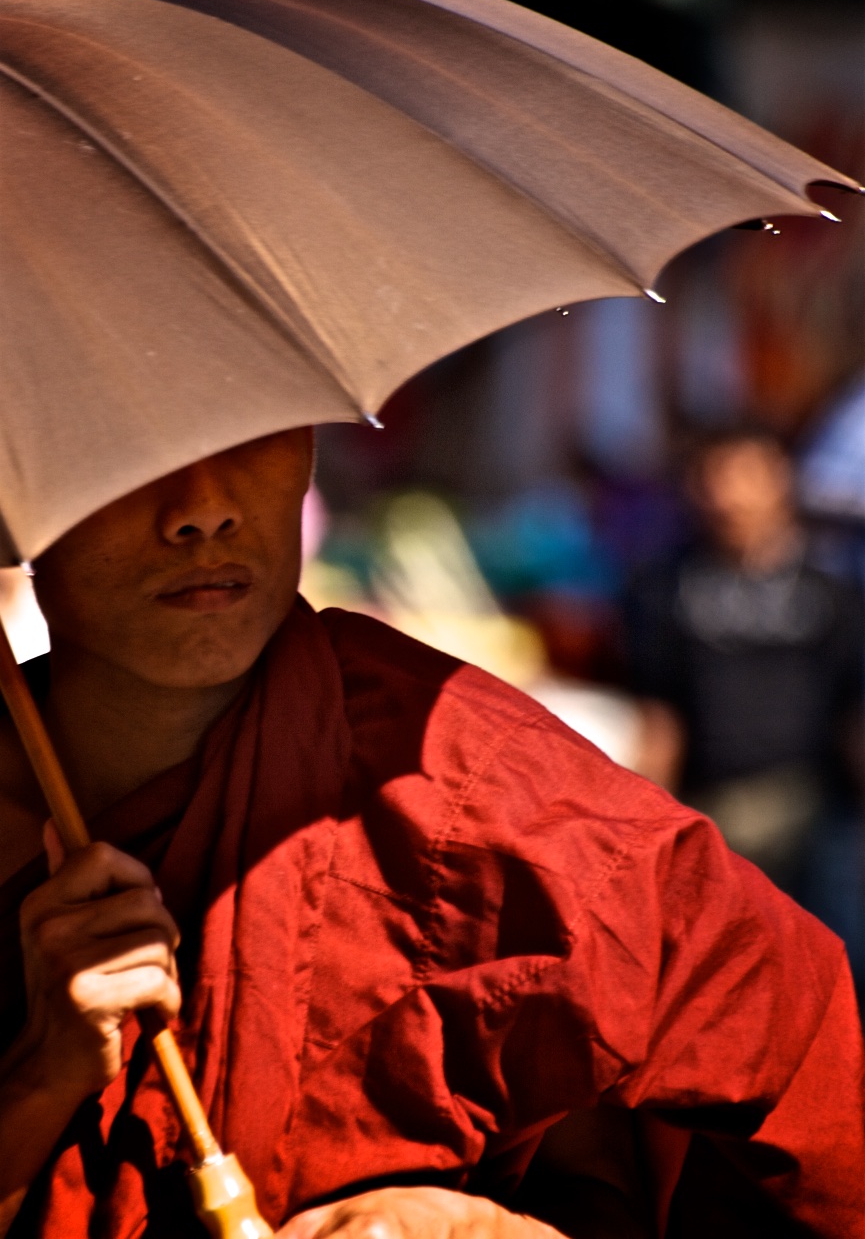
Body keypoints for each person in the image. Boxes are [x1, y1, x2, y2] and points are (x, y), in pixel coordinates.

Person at [0, 429, 861, 1239]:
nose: (203, 507)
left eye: (247, 434)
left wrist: (494, 1230)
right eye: (129, 446)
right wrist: (40, 1078)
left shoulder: (481, 795)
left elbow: (814, 1127)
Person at [625, 426, 864, 897]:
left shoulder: (833, 594)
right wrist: (649, 823)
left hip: (815, 810)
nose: (727, 495)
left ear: (781, 479)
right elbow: (658, 715)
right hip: (710, 811)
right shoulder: (661, 588)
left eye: (744, 475)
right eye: (711, 476)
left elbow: (854, 709)